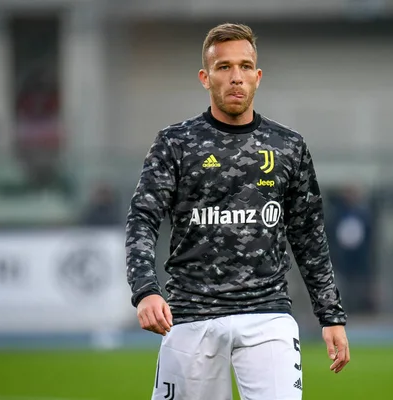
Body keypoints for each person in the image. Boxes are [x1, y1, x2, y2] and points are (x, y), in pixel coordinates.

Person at [126, 23, 350, 400]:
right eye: (224, 67)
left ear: (258, 76)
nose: (236, 77)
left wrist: (331, 316)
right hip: (190, 316)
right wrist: (145, 291)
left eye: (245, 67)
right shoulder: (175, 142)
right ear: (205, 76)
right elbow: (142, 219)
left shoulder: (288, 146)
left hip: (268, 317)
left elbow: (309, 235)